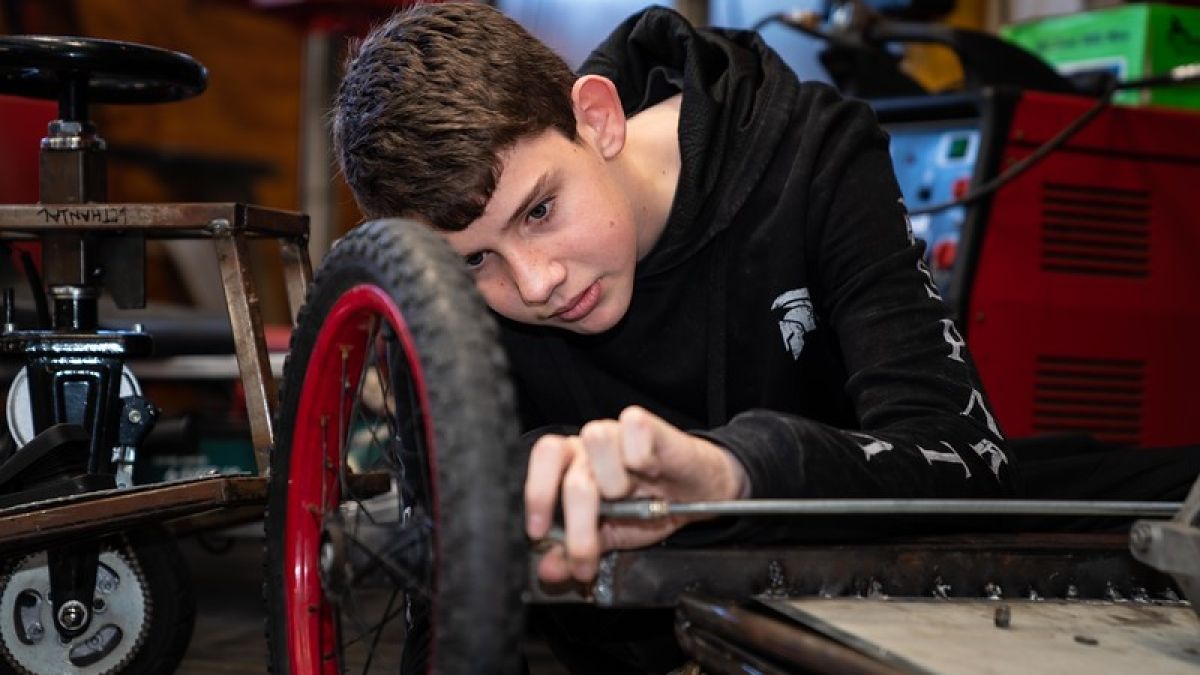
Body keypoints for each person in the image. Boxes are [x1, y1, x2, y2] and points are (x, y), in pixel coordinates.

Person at [332, 2, 1014, 669]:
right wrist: (511, 479)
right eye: (475, 260)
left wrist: (732, 471)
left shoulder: (814, 156)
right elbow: (442, 603)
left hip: (863, 627)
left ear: (596, 118)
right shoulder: (433, 287)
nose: (537, 283)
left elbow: (965, 457)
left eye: (540, 210)